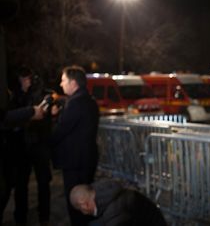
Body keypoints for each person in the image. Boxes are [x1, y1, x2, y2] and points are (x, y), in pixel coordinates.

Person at [50, 65, 99, 226]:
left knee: (77, 204)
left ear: (73, 83)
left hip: (75, 163)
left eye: (63, 81)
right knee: (87, 202)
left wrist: (53, 119)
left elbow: (60, 131)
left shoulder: (75, 103)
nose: (61, 84)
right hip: (86, 160)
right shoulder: (90, 101)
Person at [9, 66, 53, 226]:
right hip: (21, 146)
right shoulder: (14, 95)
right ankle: (20, 217)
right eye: (22, 78)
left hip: (38, 144)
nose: (24, 81)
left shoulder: (39, 93)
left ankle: (44, 217)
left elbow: (42, 114)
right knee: (21, 186)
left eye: (27, 78)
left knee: (43, 183)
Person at [69, 179, 168, 226]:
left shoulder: (115, 213)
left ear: (84, 205)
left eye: (81, 210)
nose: (83, 212)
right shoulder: (99, 189)